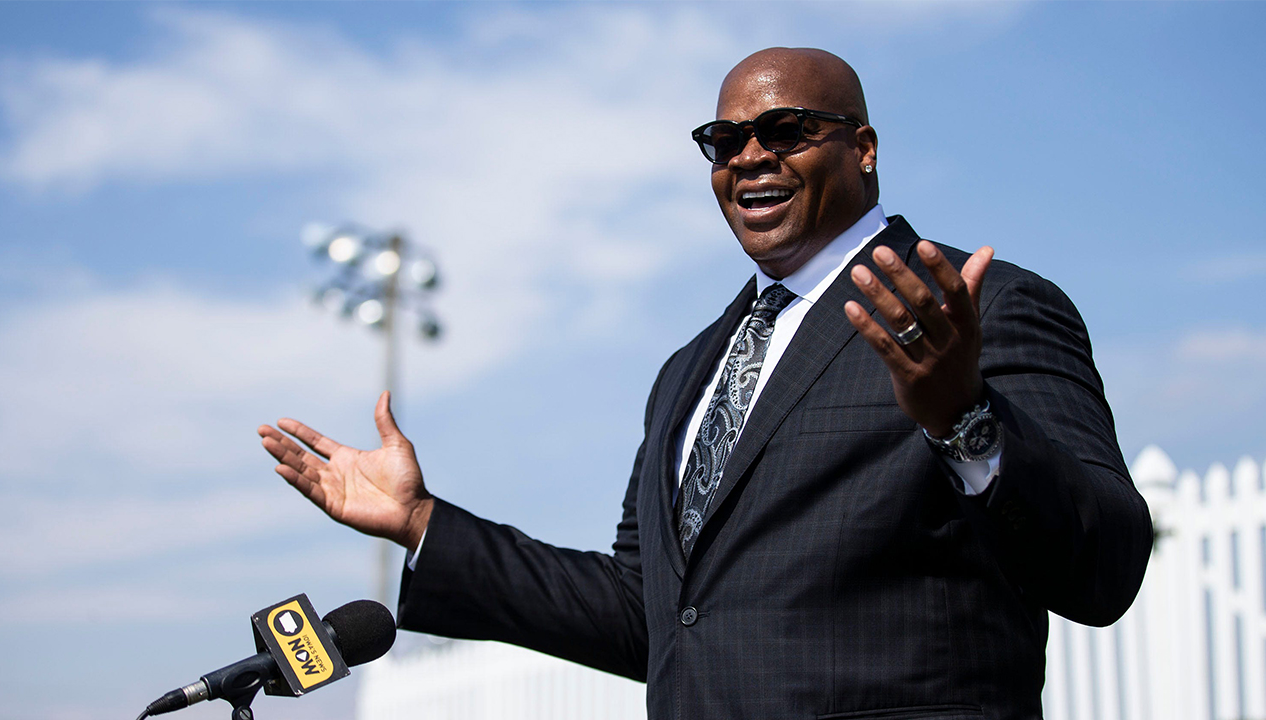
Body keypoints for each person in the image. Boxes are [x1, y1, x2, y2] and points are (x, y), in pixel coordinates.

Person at [259, 47, 1151, 719]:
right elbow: (648, 612)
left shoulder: (982, 305)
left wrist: (965, 418)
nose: (749, 156)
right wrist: (423, 525)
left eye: (787, 131)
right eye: (723, 140)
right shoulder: (689, 371)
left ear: (865, 148)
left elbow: (1105, 566)